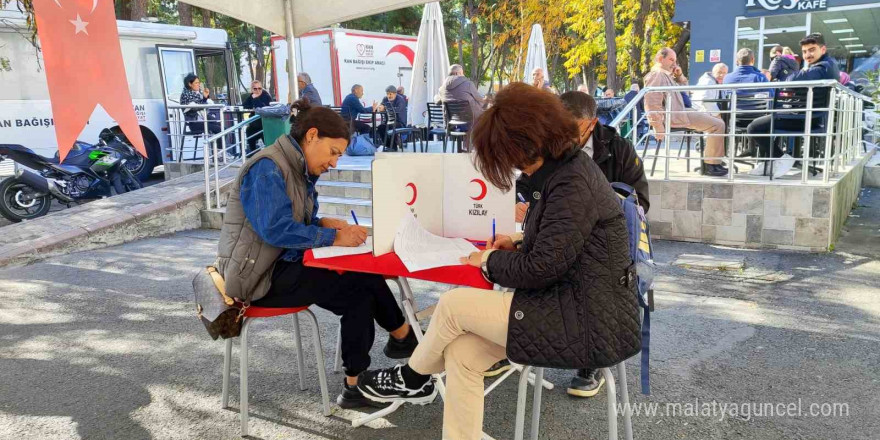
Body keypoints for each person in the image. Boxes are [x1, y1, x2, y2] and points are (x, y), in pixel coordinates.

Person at [355, 83, 641, 440]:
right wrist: (518, 240)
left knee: (454, 304)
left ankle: (413, 378)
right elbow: (564, 242)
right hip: (577, 305)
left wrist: (488, 260)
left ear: (519, 146)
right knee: (462, 352)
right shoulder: (566, 170)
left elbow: (541, 268)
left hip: (588, 322)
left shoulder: (569, 183)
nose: (507, 166)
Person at [215, 99, 418, 409]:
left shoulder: (298, 167)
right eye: (334, 152)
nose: (335, 162)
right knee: (357, 290)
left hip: (281, 265)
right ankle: (390, 352)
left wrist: (322, 223)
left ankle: (391, 350)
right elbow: (275, 229)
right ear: (311, 136)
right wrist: (332, 235)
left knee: (361, 278)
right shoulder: (267, 167)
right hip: (257, 278)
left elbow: (294, 222)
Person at [506, 90, 649, 398]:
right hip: (555, 235)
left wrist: (590, 206)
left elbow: (640, 201)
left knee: (541, 269)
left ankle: (590, 361)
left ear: (590, 124)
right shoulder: (550, 146)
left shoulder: (618, 148)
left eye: (570, 127)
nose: (562, 134)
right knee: (520, 260)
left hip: (604, 246)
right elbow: (525, 185)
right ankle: (501, 342)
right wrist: (523, 203)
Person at [746, 33, 841, 178]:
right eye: (804, 51)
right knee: (766, 123)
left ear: (822, 49)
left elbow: (791, 79)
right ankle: (770, 162)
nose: (807, 54)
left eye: (812, 50)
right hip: (809, 116)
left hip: (806, 118)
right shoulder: (828, 65)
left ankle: (781, 159)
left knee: (754, 127)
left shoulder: (823, 67)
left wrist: (791, 77)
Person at [644, 48, 728, 177]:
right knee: (718, 125)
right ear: (661, 58)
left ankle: (712, 162)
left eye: (675, 60)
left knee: (718, 123)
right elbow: (652, 101)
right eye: (671, 59)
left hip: (681, 112)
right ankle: (711, 165)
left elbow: (685, 91)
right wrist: (657, 125)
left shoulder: (666, 75)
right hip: (676, 116)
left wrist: (679, 76)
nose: (674, 63)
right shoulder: (657, 75)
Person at [242, 80, 274, 155]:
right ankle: (253, 154)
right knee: (249, 131)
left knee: (266, 141)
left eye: (259, 88)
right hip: (255, 124)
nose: (257, 90)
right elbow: (244, 105)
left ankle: (269, 154)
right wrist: (252, 106)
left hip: (264, 124)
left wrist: (255, 99)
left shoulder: (266, 96)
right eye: (255, 89)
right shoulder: (251, 96)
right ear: (252, 89)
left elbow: (263, 108)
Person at [380, 85, 408, 150]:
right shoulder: (385, 99)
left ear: (395, 93)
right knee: (380, 128)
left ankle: (394, 145)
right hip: (389, 122)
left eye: (390, 94)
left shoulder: (400, 99)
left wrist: (385, 108)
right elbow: (382, 105)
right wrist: (379, 107)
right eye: (387, 94)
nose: (389, 96)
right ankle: (390, 146)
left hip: (399, 122)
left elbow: (398, 110)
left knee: (390, 126)